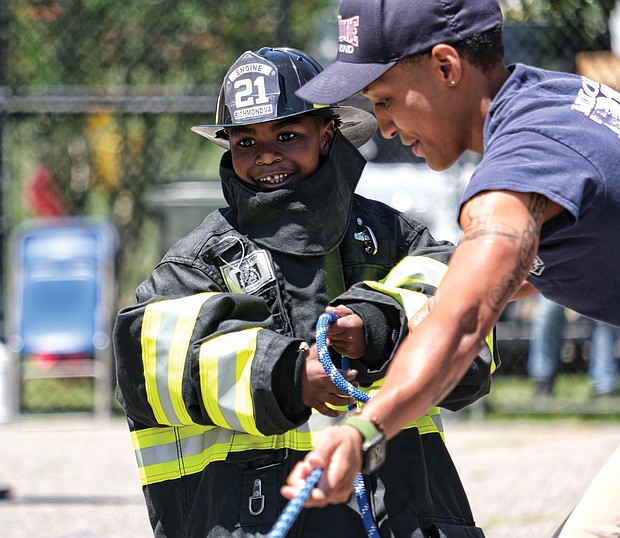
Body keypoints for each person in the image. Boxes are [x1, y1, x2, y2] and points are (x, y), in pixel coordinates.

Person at [113, 46, 497, 537]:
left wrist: (379, 324)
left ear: (327, 133)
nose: (267, 154)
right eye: (246, 142)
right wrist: (287, 374)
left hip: (401, 517)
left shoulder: (395, 239)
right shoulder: (200, 263)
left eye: (288, 135)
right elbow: (141, 357)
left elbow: (470, 321)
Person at [282, 1, 620, 536]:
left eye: (386, 100)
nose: (385, 128)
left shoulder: (523, 164)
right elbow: (560, 252)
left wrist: (362, 431)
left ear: (446, 66)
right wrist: (437, 304)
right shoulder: (554, 100)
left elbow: (464, 325)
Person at [528, 295, 618, 398]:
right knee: (546, 310)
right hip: (559, 279)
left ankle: (603, 388)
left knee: (604, 317)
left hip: (595, 280)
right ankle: (543, 381)